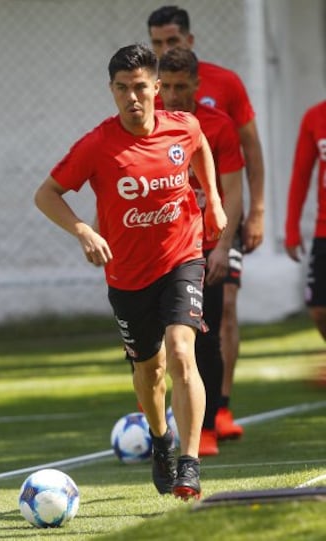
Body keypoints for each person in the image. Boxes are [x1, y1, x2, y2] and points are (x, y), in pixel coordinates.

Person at [34, 43, 226, 500]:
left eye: (140, 87)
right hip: (127, 274)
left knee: (182, 352)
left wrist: (213, 199)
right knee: (149, 371)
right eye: (122, 89)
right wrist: (83, 231)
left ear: (156, 88)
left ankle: (190, 464)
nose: (132, 98)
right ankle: (161, 439)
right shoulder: (96, 144)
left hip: (182, 255)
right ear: (112, 90)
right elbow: (47, 194)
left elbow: (199, 146)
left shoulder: (183, 125)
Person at [147, 5, 265, 436]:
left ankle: (219, 409)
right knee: (172, 334)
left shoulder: (223, 92)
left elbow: (249, 152)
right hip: (172, 235)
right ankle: (178, 419)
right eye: (157, 43)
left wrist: (257, 211)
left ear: (189, 42)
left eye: (172, 41)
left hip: (218, 225)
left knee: (222, 310)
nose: (165, 49)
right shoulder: (147, 106)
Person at [158, 47, 243, 455]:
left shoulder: (218, 127)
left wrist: (224, 246)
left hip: (205, 246)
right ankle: (158, 425)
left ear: (196, 84)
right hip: (161, 248)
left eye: (180, 86)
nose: (172, 95)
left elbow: (234, 190)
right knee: (157, 346)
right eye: (166, 87)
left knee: (206, 339)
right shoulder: (147, 122)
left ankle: (206, 428)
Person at [285, 100, 326, 356]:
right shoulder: (314, 117)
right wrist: (292, 228)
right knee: (319, 310)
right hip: (323, 230)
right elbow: (301, 174)